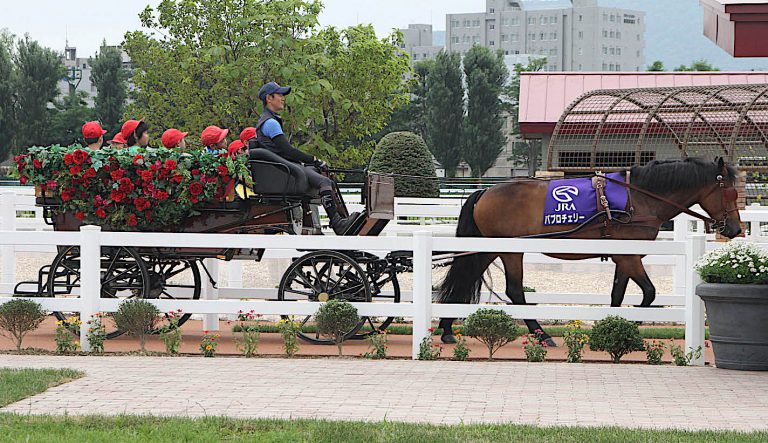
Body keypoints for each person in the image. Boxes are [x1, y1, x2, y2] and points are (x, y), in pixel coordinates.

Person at [255, 81, 357, 235]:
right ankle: (337, 223)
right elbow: (287, 150)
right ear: (269, 98)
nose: (283, 98)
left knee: (323, 176)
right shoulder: (270, 123)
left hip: (284, 168)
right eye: (280, 95)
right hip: (284, 171)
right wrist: (313, 159)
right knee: (325, 181)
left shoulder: (269, 120)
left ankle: (332, 221)